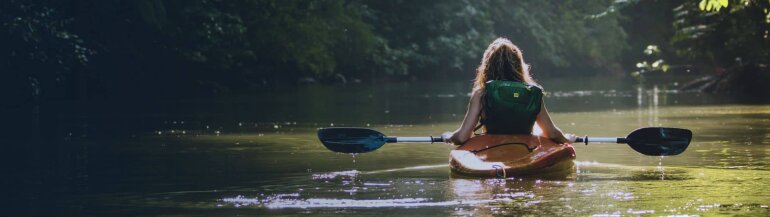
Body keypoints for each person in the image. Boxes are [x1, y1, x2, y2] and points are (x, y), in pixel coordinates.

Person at [443, 38, 575, 144]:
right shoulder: (532, 93)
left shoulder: (481, 94)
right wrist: (567, 139)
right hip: (525, 152)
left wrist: (449, 136)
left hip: (491, 150)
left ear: (487, 66)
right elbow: (550, 132)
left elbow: (462, 137)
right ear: (518, 64)